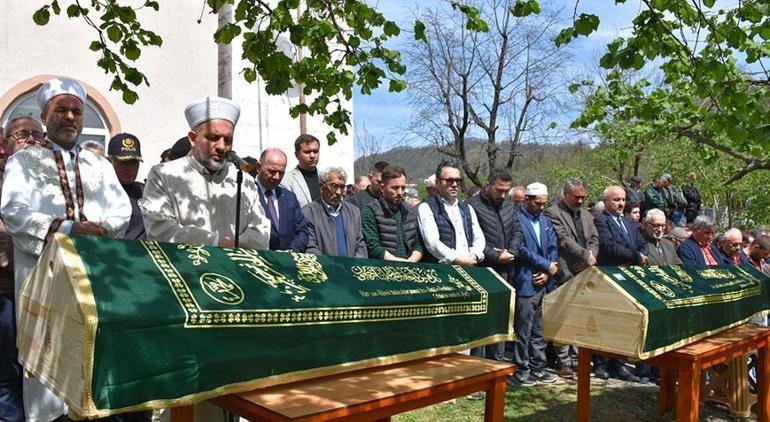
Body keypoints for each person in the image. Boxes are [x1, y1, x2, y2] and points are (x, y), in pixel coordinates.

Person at [1, 77, 132, 422]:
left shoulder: (99, 164)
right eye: (61, 110)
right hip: (44, 276)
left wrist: (101, 228)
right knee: (47, 363)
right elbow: (14, 212)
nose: (71, 117)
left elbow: (122, 209)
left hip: (95, 274)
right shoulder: (24, 162)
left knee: (93, 362)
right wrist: (71, 228)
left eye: (77, 110)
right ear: (45, 116)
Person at [140, 97, 269, 249]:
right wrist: (217, 243)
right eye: (213, 138)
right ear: (193, 139)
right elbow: (160, 230)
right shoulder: (163, 175)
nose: (222, 146)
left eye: (227, 140)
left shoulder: (244, 181)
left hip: (235, 269)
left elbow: (261, 233)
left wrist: (235, 247)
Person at [543, 177, 599, 378]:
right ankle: (563, 360)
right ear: (565, 194)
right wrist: (586, 255)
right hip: (564, 270)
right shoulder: (552, 212)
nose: (580, 201)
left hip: (584, 270)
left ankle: (578, 358)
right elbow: (563, 240)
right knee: (563, 317)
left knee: (581, 317)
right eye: (576, 197)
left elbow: (594, 238)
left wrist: (590, 257)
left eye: (583, 197)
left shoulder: (586, 215)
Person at [467, 169, 522, 363]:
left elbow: (517, 231)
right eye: (499, 190)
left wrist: (512, 252)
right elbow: (471, 238)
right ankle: (477, 366)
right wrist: (494, 255)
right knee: (481, 321)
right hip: (483, 270)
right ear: (488, 185)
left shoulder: (509, 206)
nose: (503, 195)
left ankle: (496, 363)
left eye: (506, 190)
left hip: (506, 269)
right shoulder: (472, 206)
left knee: (501, 318)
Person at [593, 185, 645, 382]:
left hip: (628, 278)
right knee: (605, 320)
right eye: (616, 200)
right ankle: (600, 363)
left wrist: (641, 254)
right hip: (610, 277)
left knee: (623, 321)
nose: (621, 203)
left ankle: (619, 363)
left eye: (623, 199)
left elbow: (641, 242)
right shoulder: (601, 221)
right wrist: (635, 256)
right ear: (606, 201)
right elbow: (609, 246)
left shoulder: (629, 223)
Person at [509, 182, 558, 386]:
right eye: (538, 203)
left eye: (544, 203)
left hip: (543, 282)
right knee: (524, 330)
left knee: (539, 329)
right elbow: (520, 249)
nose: (541, 207)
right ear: (527, 200)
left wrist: (548, 270)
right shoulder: (517, 220)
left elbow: (553, 246)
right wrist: (546, 265)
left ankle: (538, 366)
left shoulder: (545, 221)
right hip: (526, 281)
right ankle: (521, 368)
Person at [417, 162, 485, 265]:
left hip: (469, 266)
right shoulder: (426, 207)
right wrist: (457, 259)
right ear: (437, 182)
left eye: (457, 181)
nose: (454, 184)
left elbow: (479, 237)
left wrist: (475, 254)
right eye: (449, 180)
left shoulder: (467, 208)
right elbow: (432, 243)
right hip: (442, 270)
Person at [361, 165, 423, 262]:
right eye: (395, 188)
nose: (400, 192)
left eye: (403, 188)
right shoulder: (370, 212)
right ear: (382, 188)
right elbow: (372, 245)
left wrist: (413, 259)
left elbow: (418, 244)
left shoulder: (410, 212)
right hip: (382, 269)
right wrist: (395, 260)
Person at [302, 167, 367, 257]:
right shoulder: (309, 212)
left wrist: (355, 265)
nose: (339, 192)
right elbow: (310, 247)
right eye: (334, 186)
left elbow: (360, 244)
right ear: (321, 187)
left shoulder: (354, 212)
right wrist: (330, 266)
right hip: (326, 268)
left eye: (342, 187)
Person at [255, 148, 308, 252]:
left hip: (287, 262)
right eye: (272, 171)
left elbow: (302, 231)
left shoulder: (289, 197)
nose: (276, 177)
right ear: (258, 167)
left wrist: (291, 251)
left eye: (281, 172)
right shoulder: (248, 193)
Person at [108, 133, 146, 240]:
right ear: (110, 161)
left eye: (133, 162)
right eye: (123, 162)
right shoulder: (100, 192)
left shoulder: (147, 192)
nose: (128, 168)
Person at [283, 134, 321, 207]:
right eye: (307, 152)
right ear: (297, 155)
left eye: (315, 151)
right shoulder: (286, 180)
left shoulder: (325, 177)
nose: (312, 156)